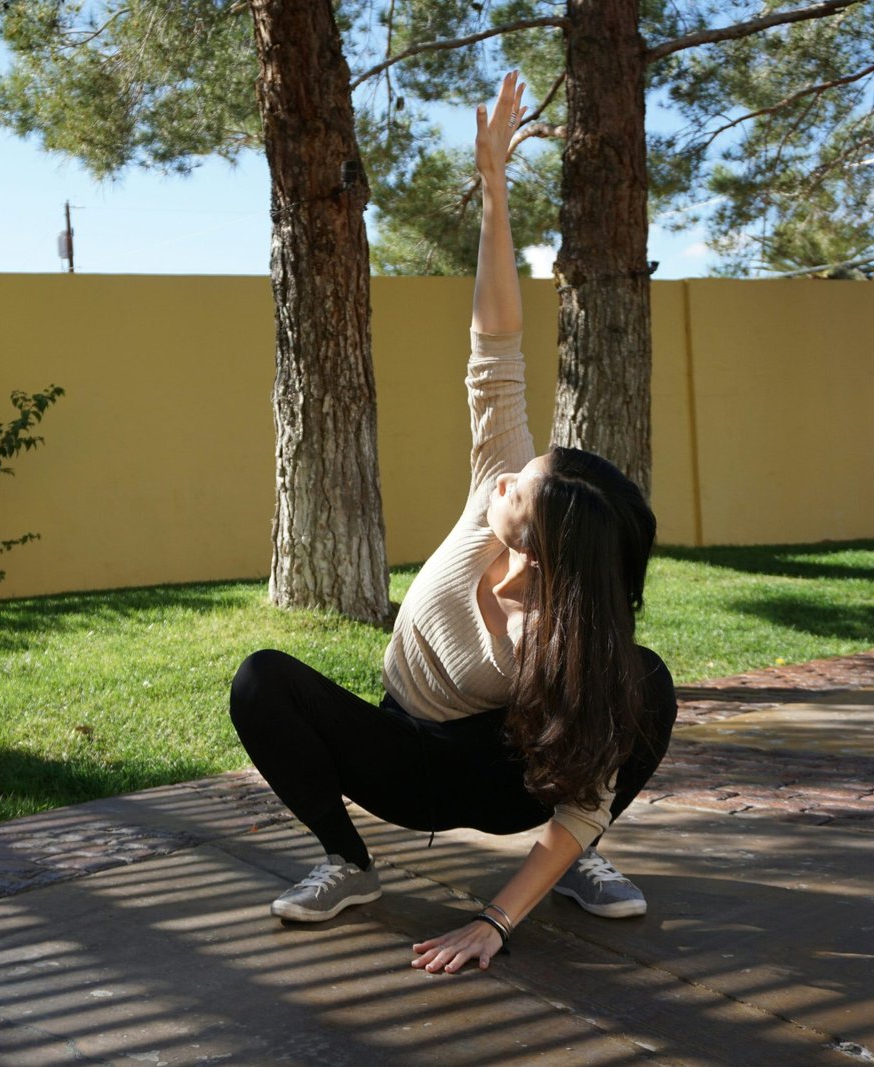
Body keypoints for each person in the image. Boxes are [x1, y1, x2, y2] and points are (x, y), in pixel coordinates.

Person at [229, 71, 677, 974]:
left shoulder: (570, 633)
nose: (507, 473)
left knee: (649, 685)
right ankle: (345, 864)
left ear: (541, 540)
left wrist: (496, 922)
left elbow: (584, 792)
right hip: (404, 753)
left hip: (508, 778)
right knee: (261, 680)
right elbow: (496, 350)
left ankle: (569, 869)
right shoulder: (493, 488)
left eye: (522, 486)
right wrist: (496, 197)